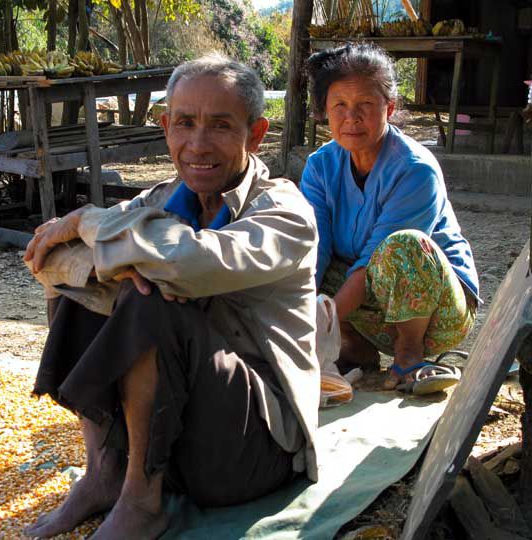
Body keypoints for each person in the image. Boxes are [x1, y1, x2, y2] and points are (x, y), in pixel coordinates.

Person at [22, 54, 319, 539]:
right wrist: (102, 257)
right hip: (172, 434)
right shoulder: (159, 200)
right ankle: (105, 471)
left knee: (149, 297)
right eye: (185, 123)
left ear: (256, 134)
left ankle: (141, 501)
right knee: (91, 283)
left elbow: (189, 264)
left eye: (221, 126)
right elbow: (47, 260)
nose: (198, 144)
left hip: (250, 450)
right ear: (166, 127)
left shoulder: (286, 212)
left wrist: (89, 226)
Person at [300, 43, 480, 395]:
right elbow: (312, 250)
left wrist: (321, 322)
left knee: (403, 246)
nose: (352, 117)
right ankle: (355, 348)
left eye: (365, 105)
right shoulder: (320, 166)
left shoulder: (414, 170)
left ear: (390, 108)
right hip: (374, 310)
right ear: (325, 111)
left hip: (438, 313)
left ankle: (410, 355)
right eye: (340, 105)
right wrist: (300, 317)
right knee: (297, 259)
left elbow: (371, 263)